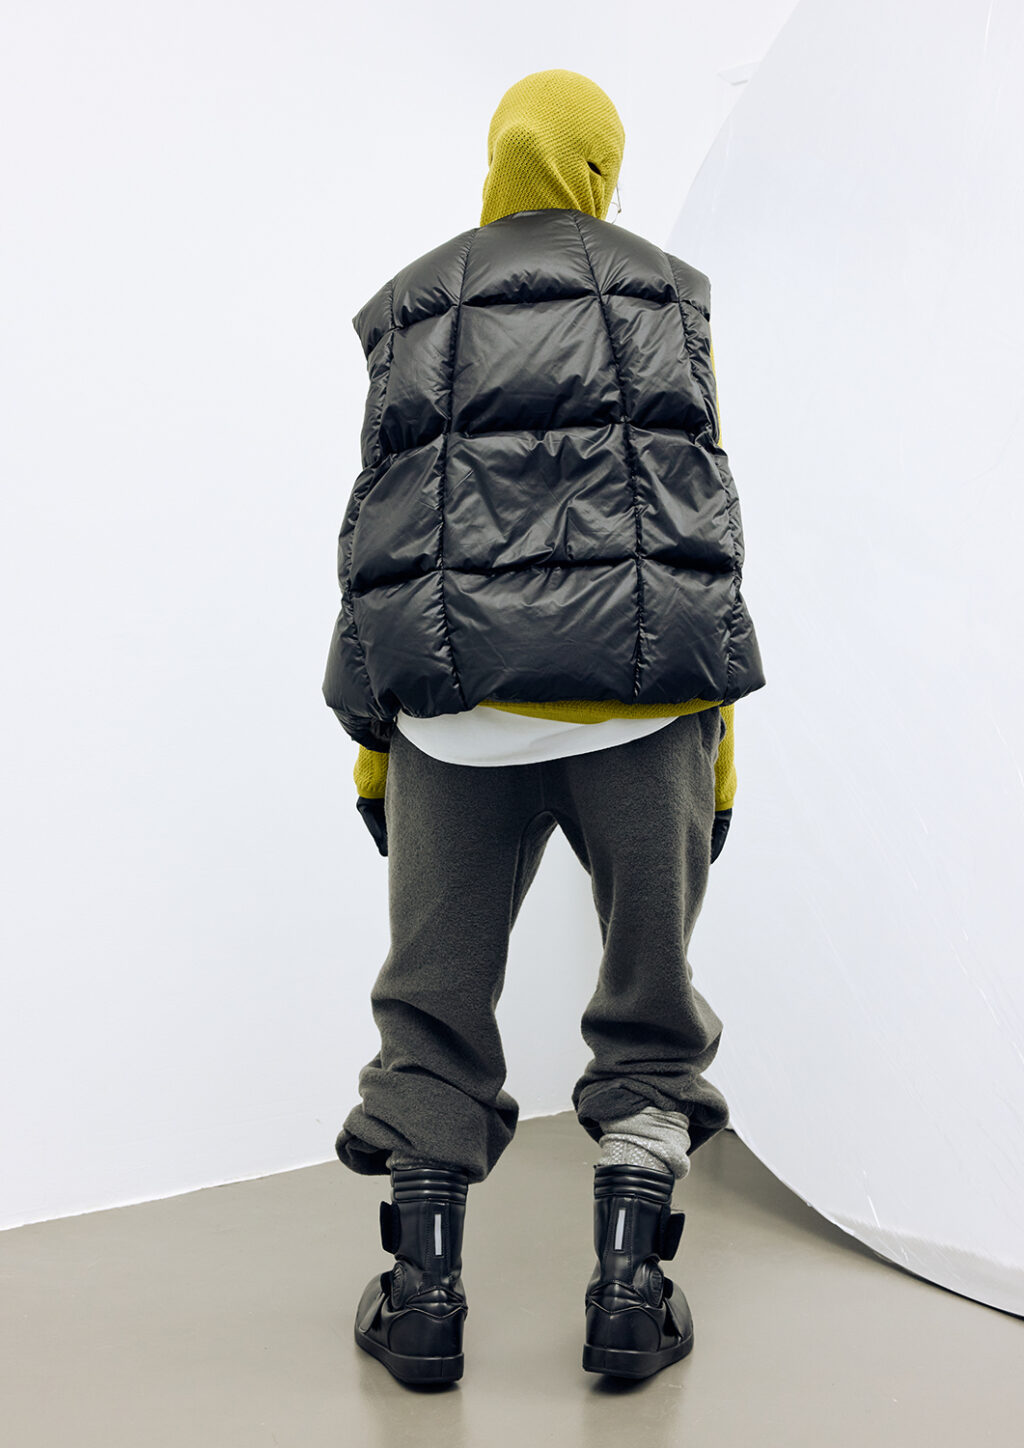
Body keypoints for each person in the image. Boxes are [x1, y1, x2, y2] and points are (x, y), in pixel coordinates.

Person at [321, 69, 766, 1385]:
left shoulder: (413, 304)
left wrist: (376, 739)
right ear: (598, 167)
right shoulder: (667, 296)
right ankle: (630, 1293)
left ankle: (423, 1305)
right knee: (648, 1004)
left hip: (456, 722)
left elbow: (379, 542)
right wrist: (719, 754)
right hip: (644, 712)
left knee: (432, 1003)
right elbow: (702, 534)